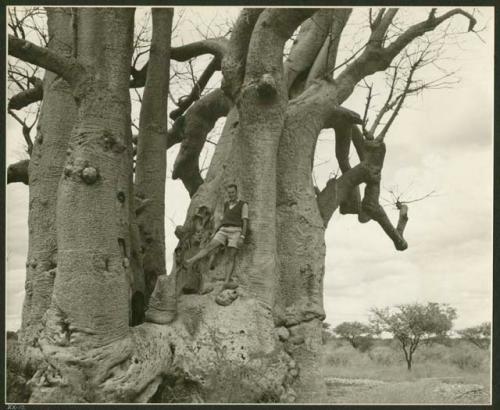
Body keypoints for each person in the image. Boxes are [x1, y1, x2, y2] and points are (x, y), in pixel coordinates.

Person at [185, 184, 248, 289]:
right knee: (209, 246)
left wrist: (242, 237)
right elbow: (223, 220)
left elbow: (245, 221)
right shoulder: (226, 204)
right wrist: (215, 232)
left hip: (236, 231)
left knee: (231, 256)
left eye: (233, 192)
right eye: (229, 193)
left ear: (236, 192)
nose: (231, 194)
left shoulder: (243, 204)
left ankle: (226, 282)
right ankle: (190, 261)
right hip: (223, 230)